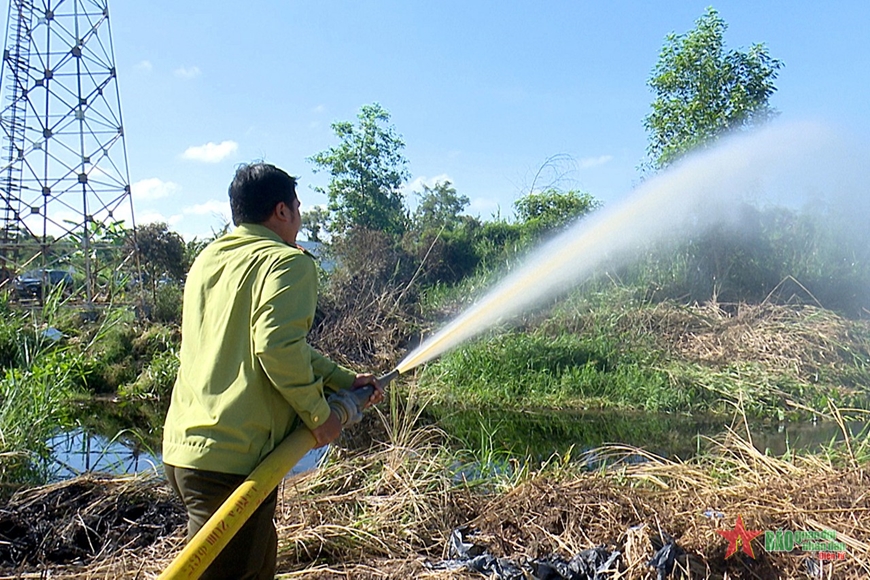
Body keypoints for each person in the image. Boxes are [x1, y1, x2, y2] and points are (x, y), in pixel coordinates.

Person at [162, 162, 384, 580]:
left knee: (258, 567)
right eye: (298, 208)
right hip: (232, 463)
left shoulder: (209, 259)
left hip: (185, 454)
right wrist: (320, 418)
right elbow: (276, 347)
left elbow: (270, 345)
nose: (299, 218)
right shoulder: (287, 263)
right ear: (281, 211)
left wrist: (342, 379)